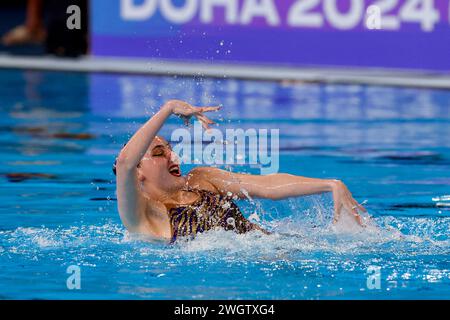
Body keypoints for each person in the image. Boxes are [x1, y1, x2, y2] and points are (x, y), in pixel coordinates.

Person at [113, 100, 367, 243]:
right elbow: (124, 162)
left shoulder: (201, 178)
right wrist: (168, 109)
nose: (172, 156)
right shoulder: (141, 214)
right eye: (159, 154)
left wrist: (330, 184)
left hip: (276, 246)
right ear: (138, 174)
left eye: (169, 149)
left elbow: (266, 186)